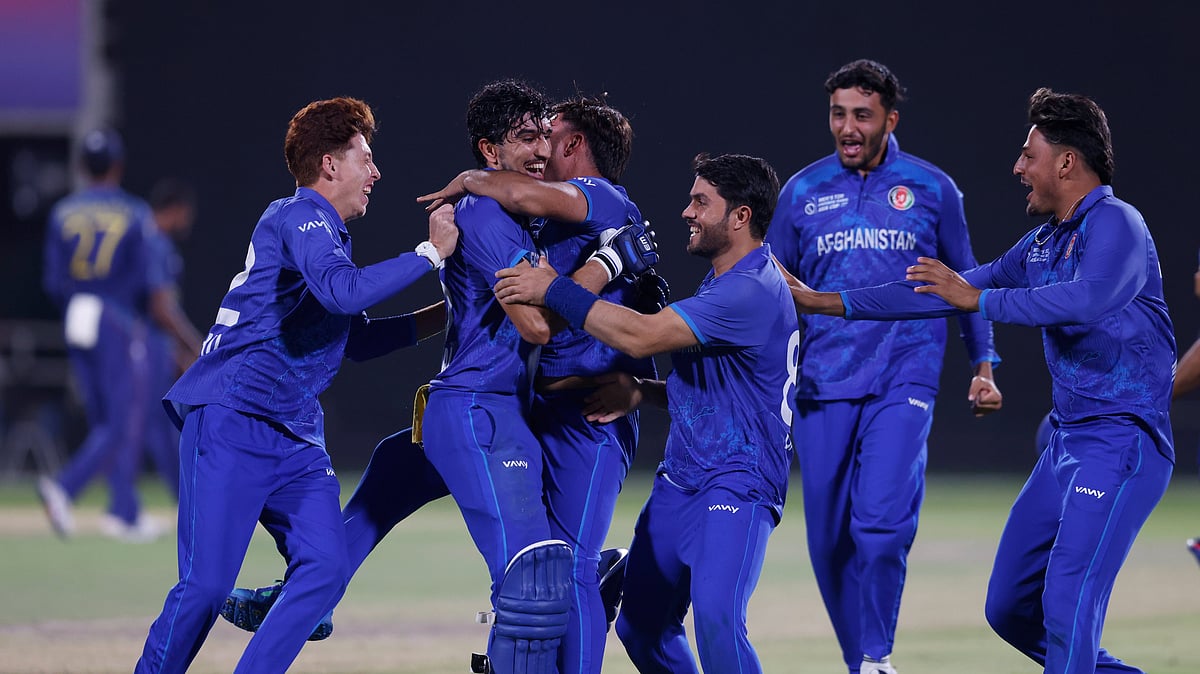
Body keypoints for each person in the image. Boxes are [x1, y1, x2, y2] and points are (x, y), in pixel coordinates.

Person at [784, 87, 1174, 674]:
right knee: (1010, 608)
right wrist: (825, 301)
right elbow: (941, 291)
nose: (1018, 168)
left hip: (1122, 441)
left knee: (1067, 603)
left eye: (1029, 155)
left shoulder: (1118, 223)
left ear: (1066, 162)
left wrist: (981, 301)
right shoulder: (1042, 244)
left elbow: (1089, 299)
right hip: (1066, 442)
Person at [134, 96, 458, 674]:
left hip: (295, 434)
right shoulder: (297, 215)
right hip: (233, 416)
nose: (376, 172)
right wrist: (430, 253)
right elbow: (344, 293)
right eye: (365, 157)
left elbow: (356, 338)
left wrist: (448, 314)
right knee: (206, 589)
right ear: (329, 164)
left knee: (325, 574)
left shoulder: (326, 235)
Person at [494, 152, 798, 674]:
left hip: (738, 482)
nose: (687, 212)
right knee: (642, 627)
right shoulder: (727, 280)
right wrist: (643, 391)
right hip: (682, 479)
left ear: (741, 216)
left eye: (701, 202)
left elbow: (641, 336)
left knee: (718, 619)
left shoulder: (747, 290)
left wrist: (553, 288)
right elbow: (722, 390)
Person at [763, 58, 1002, 674]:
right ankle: (861, 665)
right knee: (828, 542)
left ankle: (877, 656)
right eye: (838, 114)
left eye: (862, 115)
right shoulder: (801, 192)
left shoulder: (932, 189)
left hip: (904, 374)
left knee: (880, 525)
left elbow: (965, 283)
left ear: (890, 119)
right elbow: (769, 290)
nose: (848, 127)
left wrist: (984, 363)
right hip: (821, 384)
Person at [417, 94, 661, 674]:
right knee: (540, 568)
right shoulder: (542, 221)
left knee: (567, 570)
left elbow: (541, 318)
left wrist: (471, 178)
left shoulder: (602, 197)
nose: (541, 145)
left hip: (590, 412)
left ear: (572, 144)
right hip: (535, 411)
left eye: (549, 135)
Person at [38, 128, 200, 542]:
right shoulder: (133, 212)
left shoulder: (62, 212)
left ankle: (123, 509)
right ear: (117, 166)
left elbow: (53, 282)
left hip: (76, 315)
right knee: (124, 418)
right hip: (115, 317)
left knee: (104, 419)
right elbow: (153, 289)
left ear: (81, 167)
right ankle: (66, 488)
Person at [141, 178, 202, 499]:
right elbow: (160, 308)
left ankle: (186, 496)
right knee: (152, 424)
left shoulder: (154, 241)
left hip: (153, 344)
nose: (188, 220)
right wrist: (194, 345)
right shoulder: (153, 242)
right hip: (143, 344)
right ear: (175, 209)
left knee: (157, 425)